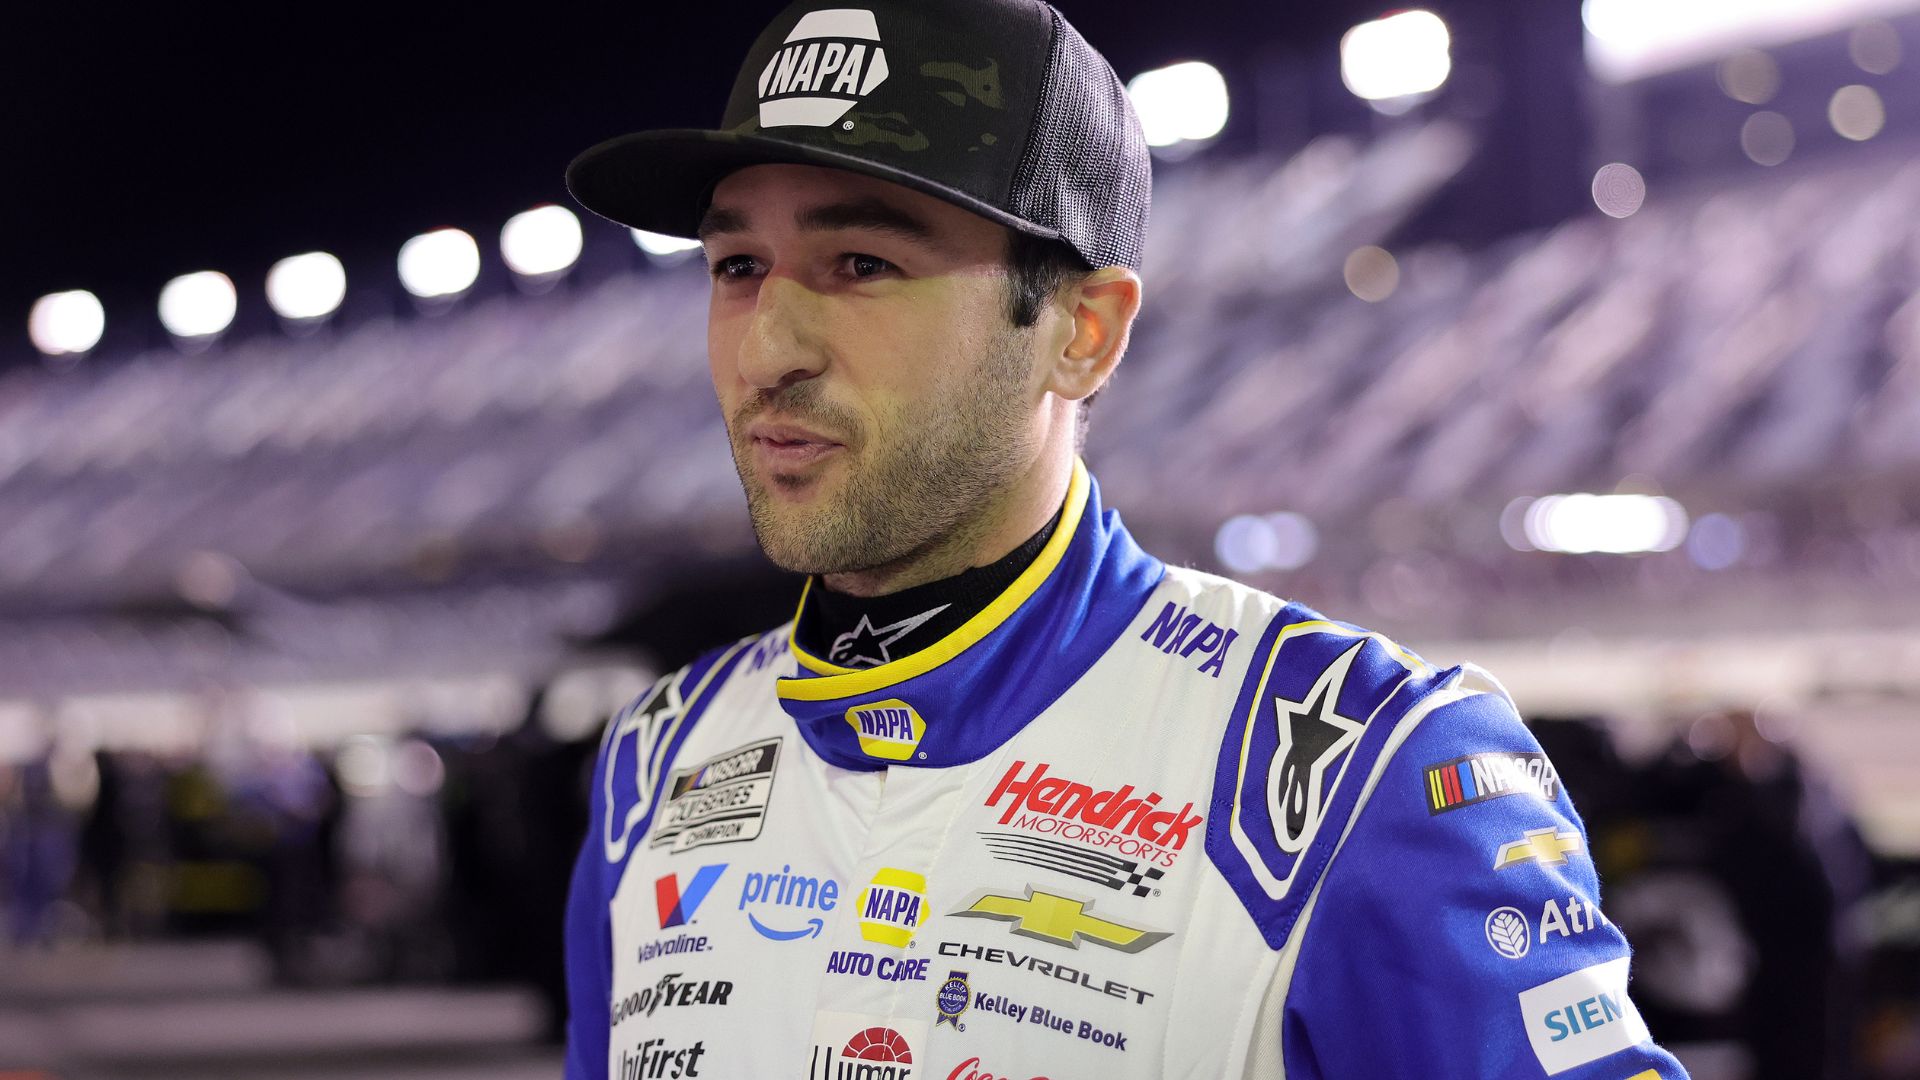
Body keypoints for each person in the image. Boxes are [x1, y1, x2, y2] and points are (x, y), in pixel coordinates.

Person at [559, 1, 1692, 1077]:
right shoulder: (658, 762)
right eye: (737, 267)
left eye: (863, 264)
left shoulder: (1365, 771)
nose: (766, 352)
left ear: (1083, 335)